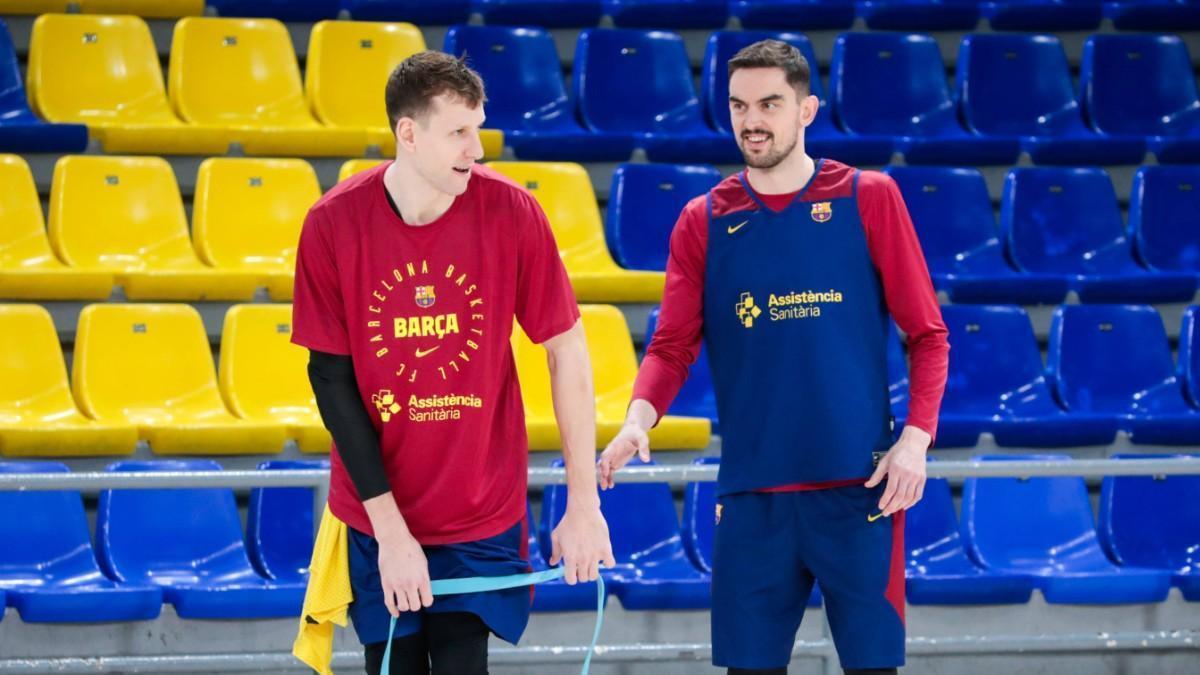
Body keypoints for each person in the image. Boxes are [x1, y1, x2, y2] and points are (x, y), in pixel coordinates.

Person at [599, 40, 949, 675]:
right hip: (753, 496)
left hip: (860, 492)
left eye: (769, 103)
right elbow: (672, 345)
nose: (751, 120)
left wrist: (916, 440)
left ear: (806, 109)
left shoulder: (868, 196)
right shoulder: (701, 220)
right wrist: (637, 419)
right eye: (738, 105)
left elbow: (927, 334)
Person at [292, 51, 615, 675]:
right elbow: (331, 381)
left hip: (479, 506)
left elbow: (566, 349)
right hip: (377, 509)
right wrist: (390, 534)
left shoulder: (512, 211)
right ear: (407, 134)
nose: (478, 148)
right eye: (459, 132)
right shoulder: (333, 223)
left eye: (480, 128)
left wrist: (583, 504)